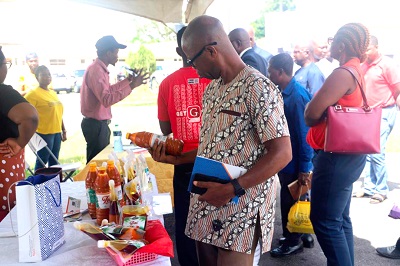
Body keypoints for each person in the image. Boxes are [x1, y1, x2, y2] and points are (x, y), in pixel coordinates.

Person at [150, 15, 292, 266]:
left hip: (242, 205)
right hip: (207, 198)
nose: (193, 69)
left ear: (211, 51)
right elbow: (214, 146)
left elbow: (282, 153)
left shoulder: (258, 87)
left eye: (192, 60)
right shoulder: (213, 88)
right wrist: (180, 158)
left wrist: (233, 188)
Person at [304, 23, 370, 265]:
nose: (329, 45)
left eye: (333, 41)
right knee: (339, 219)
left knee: (324, 221)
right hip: (350, 153)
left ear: (341, 45)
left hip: (335, 156)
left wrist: (318, 111)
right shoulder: (358, 71)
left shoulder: (343, 73)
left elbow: (310, 114)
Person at [157, 26, 211, 266]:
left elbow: (165, 128)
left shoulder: (167, 83)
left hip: (183, 160)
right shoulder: (215, 79)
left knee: (187, 223)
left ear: (179, 49)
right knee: (215, 221)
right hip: (214, 161)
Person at [267, 53, 314, 258]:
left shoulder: (296, 97)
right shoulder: (286, 92)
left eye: (270, 71)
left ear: (280, 72)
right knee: (296, 197)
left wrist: (304, 167)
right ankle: (301, 234)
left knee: (290, 199)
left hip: (294, 162)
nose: (268, 74)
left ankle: (293, 241)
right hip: (288, 160)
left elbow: (305, 135)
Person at [80, 35, 148, 164]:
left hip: (98, 125)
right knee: (97, 164)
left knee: (100, 162)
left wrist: (129, 81)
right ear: (108, 53)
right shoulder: (96, 71)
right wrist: (132, 86)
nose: (117, 56)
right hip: (96, 126)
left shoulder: (99, 69)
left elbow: (108, 91)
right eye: (116, 52)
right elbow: (106, 99)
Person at [354, 35, 400, 204]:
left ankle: (381, 190)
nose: (365, 52)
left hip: (385, 111)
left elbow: (397, 89)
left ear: (376, 47)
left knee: (377, 152)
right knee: (366, 152)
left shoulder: (387, 65)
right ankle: (369, 188)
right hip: (367, 114)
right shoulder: (363, 66)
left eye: (368, 49)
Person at [0, 47, 38, 221]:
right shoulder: (2, 92)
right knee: (9, 225)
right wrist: (20, 141)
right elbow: (30, 117)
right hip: (4, 172)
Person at [25, 65, 66, 171]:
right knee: (42, 160)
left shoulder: (52, 92)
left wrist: (63, 129)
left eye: (49, 74)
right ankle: (37, 184)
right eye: (43, 75)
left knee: (54, 161)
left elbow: (58, 113)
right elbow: (24, 111)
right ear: (36, 77)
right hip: (44, 133)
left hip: (56, 132)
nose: (47, 77)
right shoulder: (33, 94)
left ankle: (53, 184)